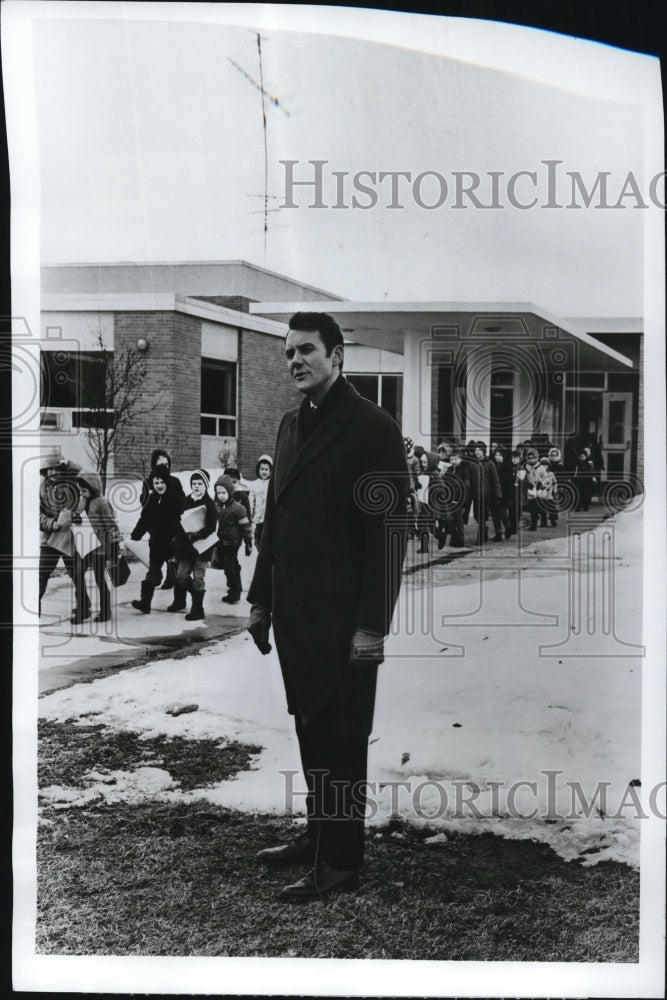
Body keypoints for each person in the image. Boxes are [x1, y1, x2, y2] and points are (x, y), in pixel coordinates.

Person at [247, 311, 408, 902]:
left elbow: (389, 534)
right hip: (295, 619)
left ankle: (338, 864)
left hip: (343, 624)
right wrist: (262, 598)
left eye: (307, 350)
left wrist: (372, 626)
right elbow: (277, 520)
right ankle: (319, 835)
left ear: (337, 357)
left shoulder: (372, 427)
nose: (295, 361)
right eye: (289, 352)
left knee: (340, 738)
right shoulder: (292, 424)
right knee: (313, 730)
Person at [39, 454, 91, 623]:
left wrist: (69, 463)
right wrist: (51, 524)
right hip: (49, 537)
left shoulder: (71, 482)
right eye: (49, 469)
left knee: (76, 573)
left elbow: (85, 475)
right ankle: (33, 609)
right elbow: (37, 515)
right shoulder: (42, 489)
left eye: (56, 468)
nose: (52, 472)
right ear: (45, 471)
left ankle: (84, 608)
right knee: (41, 574)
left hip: (70, 537)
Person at [130, 467, 184, 613]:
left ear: (167, 482)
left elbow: (182, 516)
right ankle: (145, 603)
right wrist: (136, 534)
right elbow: (144, 519)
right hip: (157, 545)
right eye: (156, 482)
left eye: (162, 482)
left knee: (176, 574)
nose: (159, 485)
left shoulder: (175, 499)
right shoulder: (151, 500)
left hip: (173, 544)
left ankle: (180, 601)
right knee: (153, 573)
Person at [170, 470, 217, 621]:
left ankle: (197, 608)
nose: (196, 486)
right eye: (194, 484)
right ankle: (195, 595)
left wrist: (197, 535)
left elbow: (211, 527)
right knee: (181, 575)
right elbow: (179, 520)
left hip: (202, 547)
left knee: (198, 577)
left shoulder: (209, 503)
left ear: (206, 485)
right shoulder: (186, 500)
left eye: (200, 484)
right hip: (186, 546)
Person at [74, 470, 121, 623]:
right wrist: (76, 518)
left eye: (84, 490)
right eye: (80, 490)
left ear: (93, 487)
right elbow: (79, 518)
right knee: (77, 574)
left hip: (101, 547)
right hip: (85, 544)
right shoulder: (82, 501)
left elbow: (111, 525)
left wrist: (114, 546)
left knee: (99, 579)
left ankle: (105, 611)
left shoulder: (101, 502)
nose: (82, 493)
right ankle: (82, 610)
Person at [140, 449, 186, 590]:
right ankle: (146, 596)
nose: (164, 468)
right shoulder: (149, 483)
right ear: (154, 466)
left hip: (172, 529)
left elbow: (182, 503)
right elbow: (144, 503)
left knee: (172, 559)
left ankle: (171, 580)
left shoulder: (174, 482)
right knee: (155, 563)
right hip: (156, 529)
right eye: (161, 464)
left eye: (167, 464)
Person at [213, 474, 253, 605]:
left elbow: (246, 527)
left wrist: (248, 542)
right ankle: (234, 586)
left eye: (223, 492)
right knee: (227, 564)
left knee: (229, 565)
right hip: (221, 541)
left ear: (230, 492)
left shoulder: (238, 508)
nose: (221, 495)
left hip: (233, 542)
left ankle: (235, 592)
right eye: (218, 492)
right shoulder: (217, 506)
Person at [248, 454, 273, 548]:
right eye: (262, 469)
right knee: (258, 540)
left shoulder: (271, 484)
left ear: (270, 471)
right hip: (258, 519)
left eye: (266, 469)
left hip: (268, 518)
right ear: (258, 470)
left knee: (268, 540)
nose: (264, 472)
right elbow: (251, 501)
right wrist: (250, 515)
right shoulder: (254, 484)